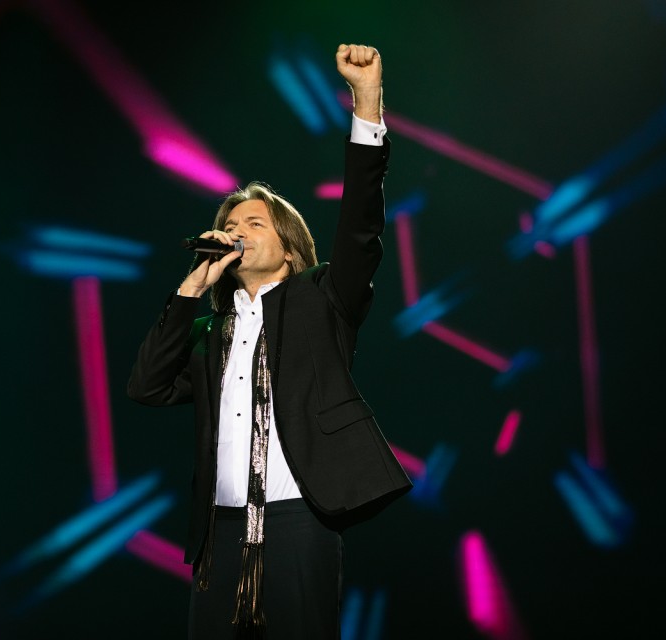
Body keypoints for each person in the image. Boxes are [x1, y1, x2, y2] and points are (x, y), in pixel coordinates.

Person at [127, 43, 411, 640]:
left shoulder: (322, 298)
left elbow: (361, 224)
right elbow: (147, 385)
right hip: (220, 532)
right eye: (229, 225)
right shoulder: (210, 334)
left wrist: (365, 101)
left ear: (288, 245)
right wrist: (189, 290)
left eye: (253, 223)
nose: (236, 232)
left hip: (299, 524)